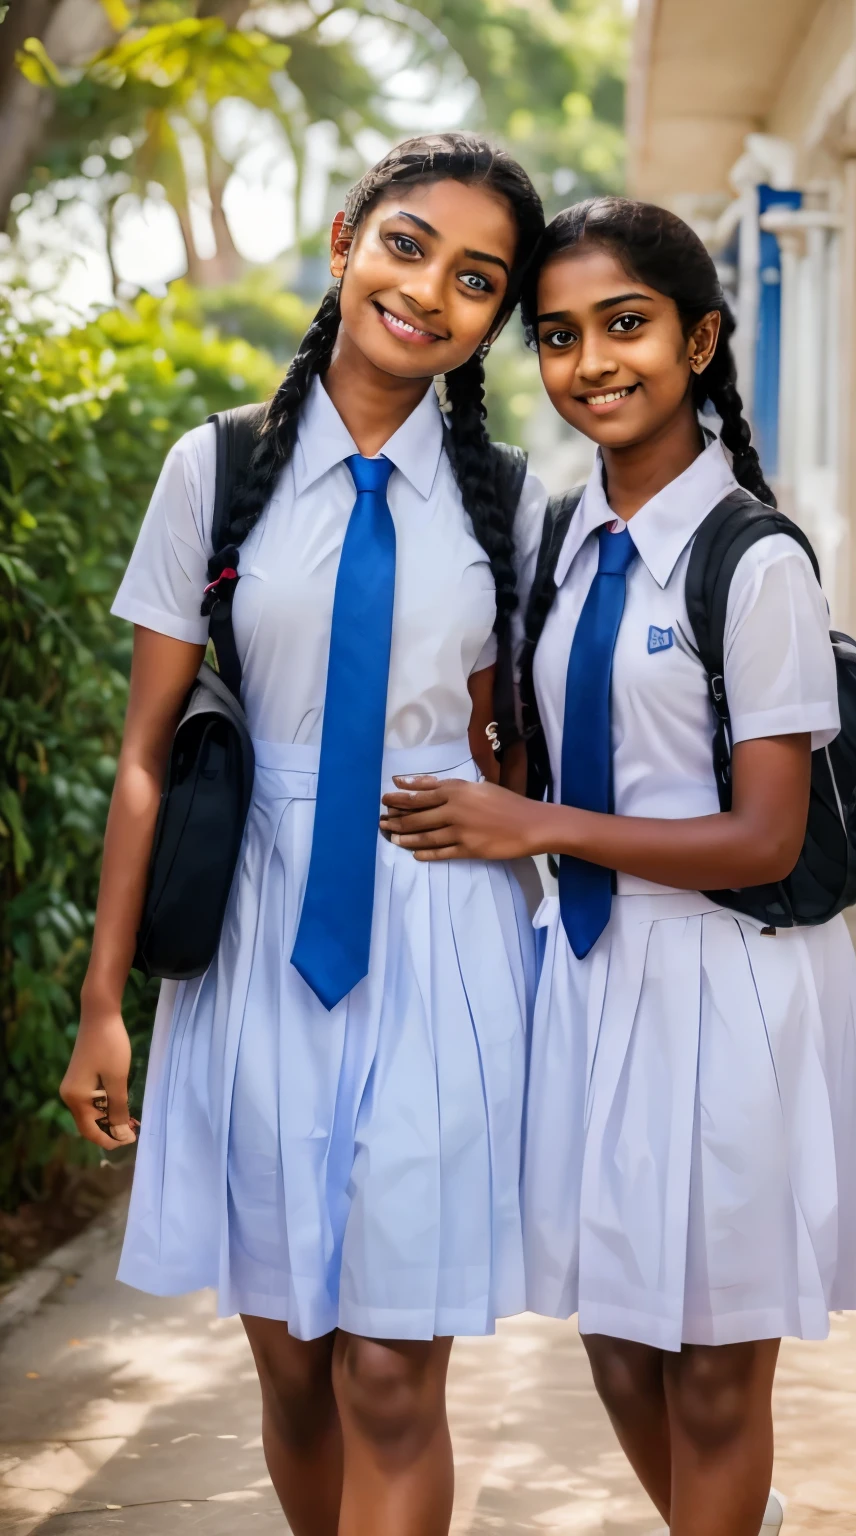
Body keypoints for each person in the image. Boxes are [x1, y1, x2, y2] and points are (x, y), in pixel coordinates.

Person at [380, 197, 856, 1536]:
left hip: (734, 986)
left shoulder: (755, 560)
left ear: (700, 338)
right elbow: (542, 756)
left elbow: (767, 836)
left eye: (626, 325)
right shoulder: (558, 540)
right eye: (559, 336)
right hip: (598, 975)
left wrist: (540, 829)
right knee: (618, 1339)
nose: (592, 364)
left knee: (723, 1373)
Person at [60, 133, 547, 1536]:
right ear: (345, 243)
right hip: (256, 934)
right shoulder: (213, 470)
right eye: (407, 246)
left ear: (492, 320)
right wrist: (107, 1001)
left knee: (394, 1376)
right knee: (291, 1372)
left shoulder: (510, 503)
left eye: (477, 280)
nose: (428, 291)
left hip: (444, 936)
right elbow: (146, 756)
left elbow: (512, 735)